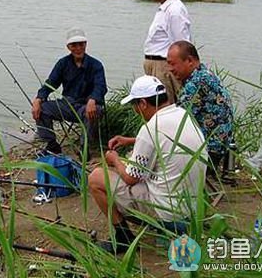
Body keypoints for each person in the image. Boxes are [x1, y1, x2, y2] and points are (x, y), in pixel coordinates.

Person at [88, 75, 206, 254]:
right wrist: (131, 141)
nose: (136, 110)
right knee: (135, 163)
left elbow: (130, 179)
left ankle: (123, 238)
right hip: (191, 207)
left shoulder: (150, 129)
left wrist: (114, 159)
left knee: (96, 178)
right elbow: (167, 142)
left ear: (143, 103)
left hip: (168, 212)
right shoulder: (183, 115)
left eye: (135, 105)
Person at [31, 27, 107, 154]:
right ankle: (51, 144)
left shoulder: (96, 65)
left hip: (86, 106)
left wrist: (93, 99)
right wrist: (38, 99)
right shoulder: (62, 63)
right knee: (42, 109)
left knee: (95, 111)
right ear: (68, 47)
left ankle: (84, 147)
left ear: (85, 45)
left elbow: (101, 87)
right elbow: (50, 84)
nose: (78, 48)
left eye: (81, 44)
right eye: (74, 45)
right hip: (67, 105)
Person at [167, 40, 234, 173]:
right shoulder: (204, 74)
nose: (170, 69)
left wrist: (138, 140)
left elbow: (175, 122)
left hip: (208, 153)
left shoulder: (197, 82)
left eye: (172, 64)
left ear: (190, 61)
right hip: (218, 148)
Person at [139, 0, 191, 103]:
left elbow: (181, 46)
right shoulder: (166, 8)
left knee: (165, 108)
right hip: (158, 68)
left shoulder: (174, 10)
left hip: (164, 69)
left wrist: (176, 72)